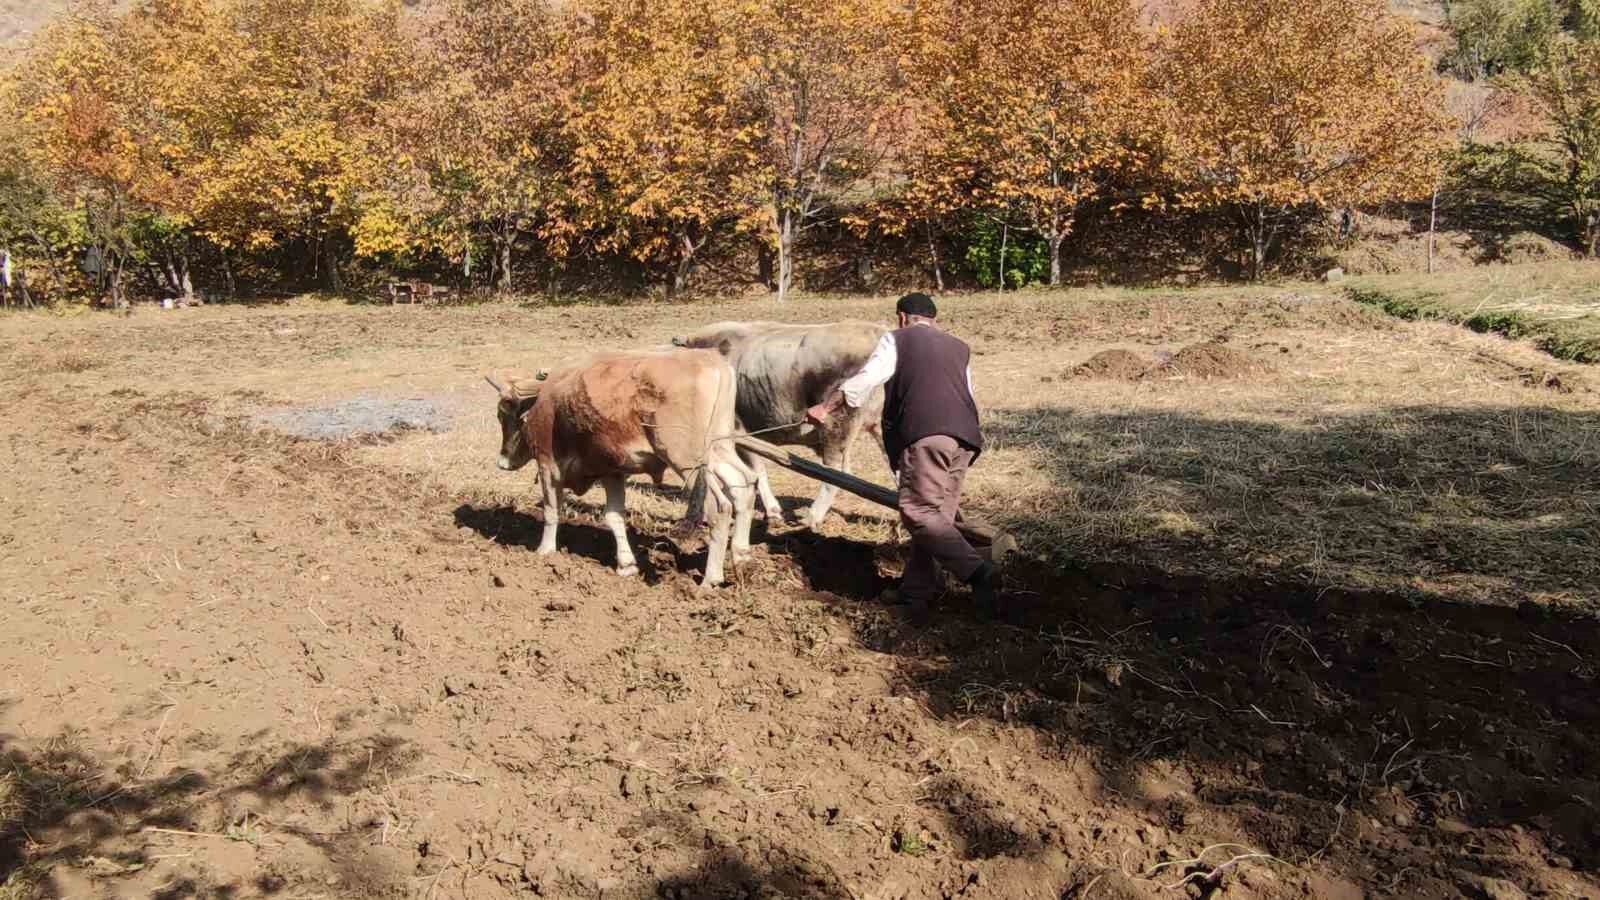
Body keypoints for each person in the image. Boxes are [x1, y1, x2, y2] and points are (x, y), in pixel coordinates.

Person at [806, 292, 1000, 620]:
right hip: (965, 439)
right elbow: (967, 392)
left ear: (901, 317)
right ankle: (917, 593)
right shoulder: (958, 347)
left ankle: (979, 572)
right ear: (934, 320)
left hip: (927, 435)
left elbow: (867, 379)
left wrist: (825, 406)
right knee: (937, 521)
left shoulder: (897, 340)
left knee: (917, 512)